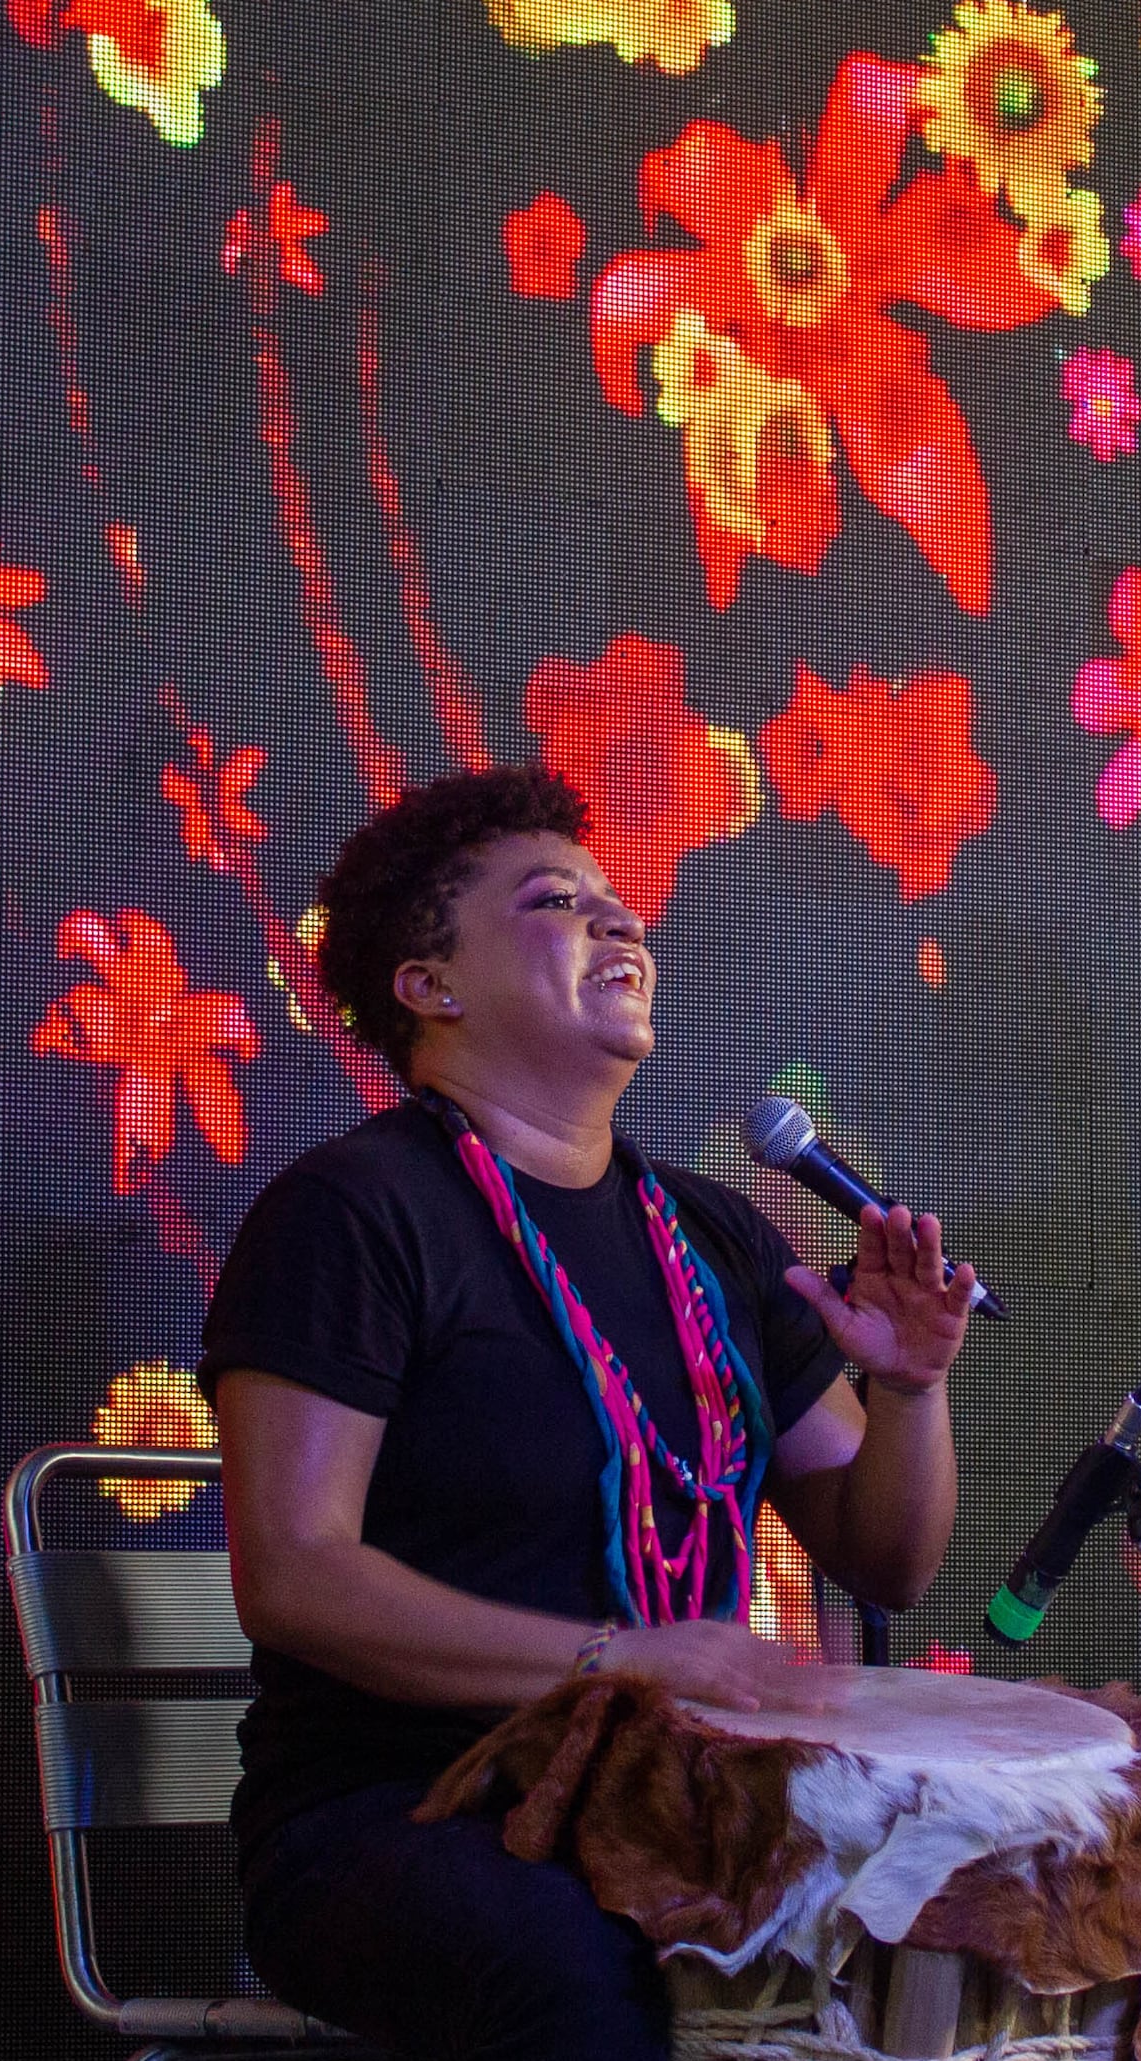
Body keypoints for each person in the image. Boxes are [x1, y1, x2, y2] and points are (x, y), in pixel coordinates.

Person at [204, 765, 979, 2061]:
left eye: (619, 904)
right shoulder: (353, 1215)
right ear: (428, 984)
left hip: (675, 1801)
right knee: (586, 1960)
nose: (620, 925)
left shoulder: (711, 1234)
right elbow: (293, 1573)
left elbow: (883, 1549)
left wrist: (908, 1387)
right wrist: (619, 1657)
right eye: (558, 902)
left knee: (969, 1913)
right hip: (402, 1817)